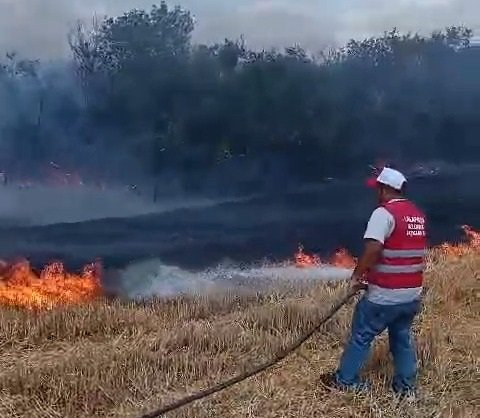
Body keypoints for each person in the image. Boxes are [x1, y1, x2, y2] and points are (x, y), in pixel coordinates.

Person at [323, 167, 427, 397]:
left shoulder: (383, 213)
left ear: (385, 189)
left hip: (385, 295)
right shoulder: (416, 215)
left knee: (361, 335)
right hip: (411, 294)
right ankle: (406, 388)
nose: (376, 192)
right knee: (401, 338)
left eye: (378, 188)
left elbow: (373, 248)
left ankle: (346, 381)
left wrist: (357, 277)